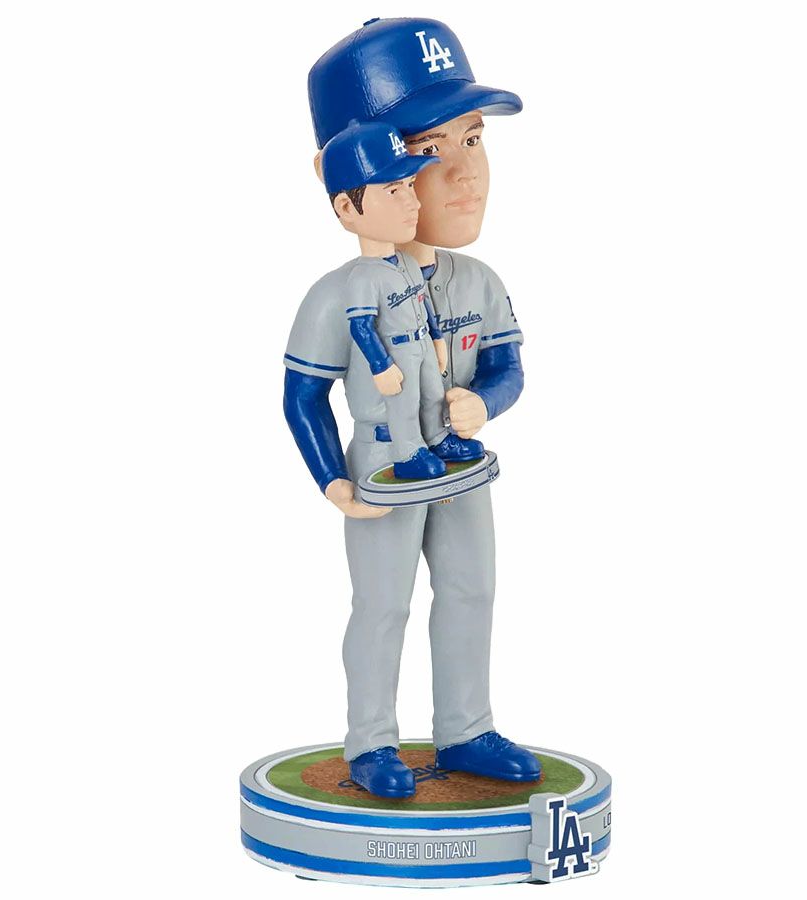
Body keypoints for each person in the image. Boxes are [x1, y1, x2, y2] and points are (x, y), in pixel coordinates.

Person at [283, 17, 540, 798]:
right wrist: (331, 480)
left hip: (459, 463)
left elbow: (508, 368)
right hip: (383, 466)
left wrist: (483, 403)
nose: (465, 172)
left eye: (474, 139)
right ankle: (371, 744)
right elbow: (302, 395)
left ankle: (466, 729)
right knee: (382, 605)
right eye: (427, 151)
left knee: (471, 590)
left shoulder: (477, 281)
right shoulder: (338, 295)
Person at [321, 118, 485, 479]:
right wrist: (380, 365)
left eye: (410, 185)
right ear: (347, 208)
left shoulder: (408, 264)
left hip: (422, 344)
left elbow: (422, 302)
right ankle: (409, 453)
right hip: (396, 350)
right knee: (405, 405)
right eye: (394, 191)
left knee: (432, 395)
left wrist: (437, 339)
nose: (414, 201)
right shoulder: (363, 278)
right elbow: (361, 326)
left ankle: (438, 439)